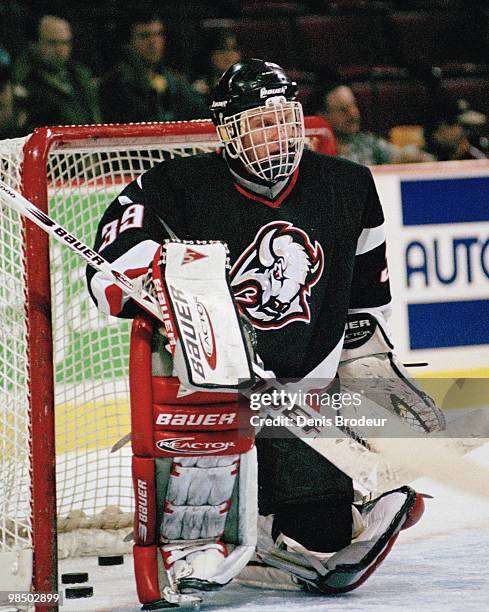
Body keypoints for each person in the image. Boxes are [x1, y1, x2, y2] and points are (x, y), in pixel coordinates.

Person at [87, 59, 444, 605]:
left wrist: (366, 383)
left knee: (321, 530)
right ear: (227, 132)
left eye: (283, 119)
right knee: (203, 490)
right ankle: (209, 534)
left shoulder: (348, 185)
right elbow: (107, 267)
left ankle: (307, 514)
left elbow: (365, 308)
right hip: (212, 398)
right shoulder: (176, 185)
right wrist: (158, 282)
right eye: (258, 123)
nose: (275, 135)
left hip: (295, 400)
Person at [99, 10, 209, 123]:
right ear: (128, 43)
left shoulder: (173, 80)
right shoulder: (115, 84)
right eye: (145, 36)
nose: (154, 42)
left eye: (159, 34)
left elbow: (201, 113)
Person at [12, 15, 101, 131]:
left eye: (65, 43)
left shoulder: (81, 75)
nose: (60, 50)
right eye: (53, 43)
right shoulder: (22, 79)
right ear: (35, 43)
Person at [319, 83, 431, 165]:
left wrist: (418, 156)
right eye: (343, 110)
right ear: (324, 116)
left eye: (354, 106)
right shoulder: (315, 151)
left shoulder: (368, 143)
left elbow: (399, 155)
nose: (354, 114)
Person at [423, 96, 486, 161]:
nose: (465, 132)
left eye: (466, 127)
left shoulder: (467, 150)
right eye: (462, 126)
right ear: (442, 126)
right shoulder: (424, 154)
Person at [192, 28, 242, 102]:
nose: (230, 56)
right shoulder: (197, 91)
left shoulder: (248, 87)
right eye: (223, 49)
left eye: (235, 49)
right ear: (211, 55)